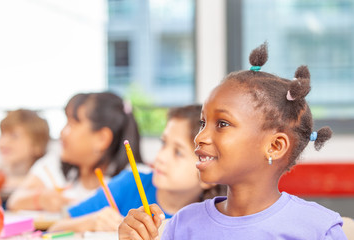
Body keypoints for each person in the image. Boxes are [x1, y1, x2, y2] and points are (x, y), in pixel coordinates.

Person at [118, 43, 347, 240]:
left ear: (275, 146)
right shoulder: (182, 225)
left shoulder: (318, 230)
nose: (200, 137)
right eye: (202, 123)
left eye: (223, 124)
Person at [47, 105, 226, 232]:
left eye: (178, 152)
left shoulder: (213, 215)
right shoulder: (130, 183)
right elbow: (55, 229)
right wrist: (92, 221)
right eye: (163, 144)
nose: (160, 157)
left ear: (210, 176)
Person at [6, 92, 143, 212]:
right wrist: (40, 199)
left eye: (71, 124)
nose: (62, 133)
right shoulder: (54, 165)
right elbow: (14, 201)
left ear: (102, 138)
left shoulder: (134, 178)